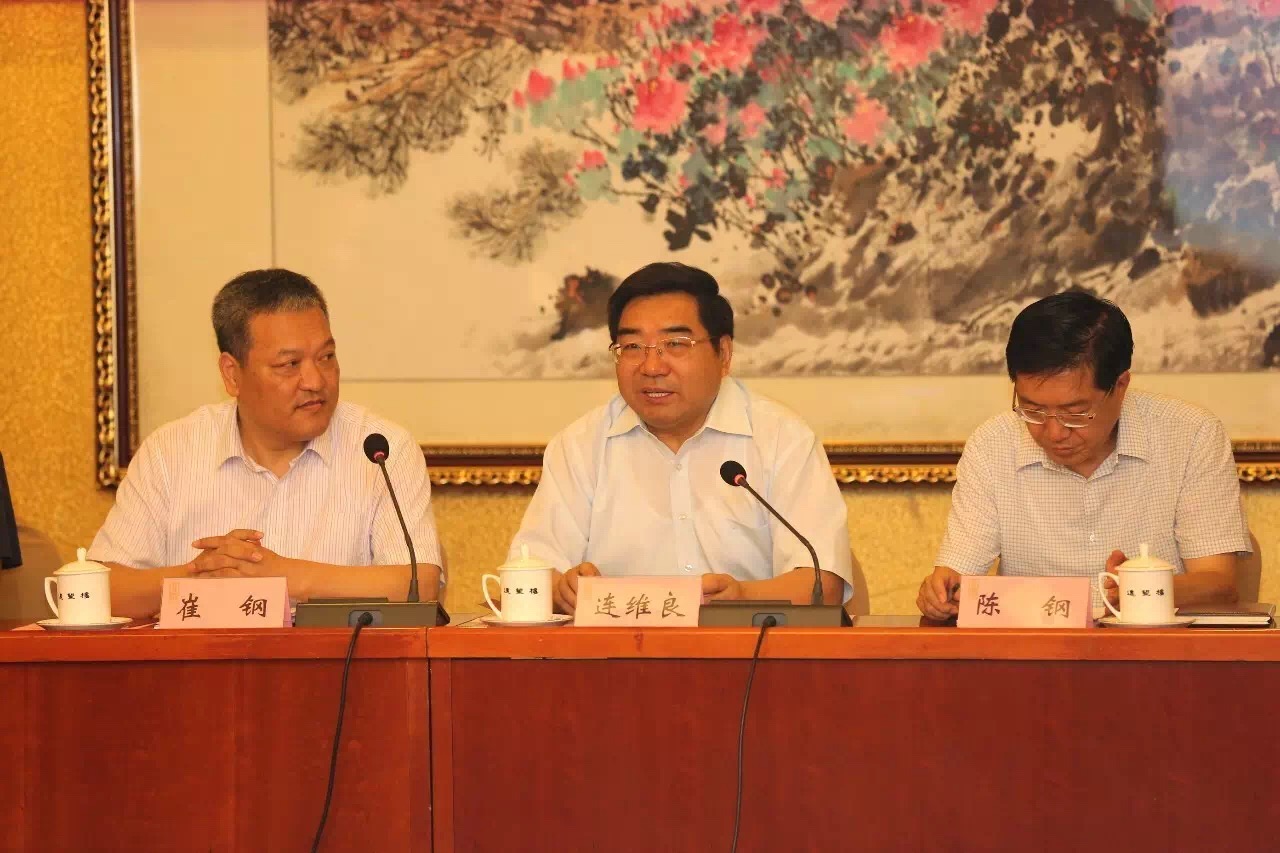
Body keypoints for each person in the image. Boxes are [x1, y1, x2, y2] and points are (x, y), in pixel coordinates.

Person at [90, 269, 442, 619]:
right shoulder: (170, 452)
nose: (315, 381)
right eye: (289, 364)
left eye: (326, 357)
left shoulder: (381, 449)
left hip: (339, 658)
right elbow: (99, 592)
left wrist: (284, 578)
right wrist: (202, 576)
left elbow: (420, 586)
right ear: (232, 374)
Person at [509, 262, 853, 614]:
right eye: (632, 346)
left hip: (748, 646)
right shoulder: (580, 446)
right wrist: (562, 589)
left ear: (723, 354)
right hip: (617, 648)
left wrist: (743, 598)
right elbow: (529, 572)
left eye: (675, 344)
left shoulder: (782, 438)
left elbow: (822, 584)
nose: (652, 367)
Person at [917, 290, 1250, 620]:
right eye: (1032, 410)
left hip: (1153, 647)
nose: (1054, 432)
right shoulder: (992, 444)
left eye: (1075, 413)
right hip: (1036, 650)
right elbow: (957, 575)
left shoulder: (1190, 435)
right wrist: (940, 594)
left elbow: (1219, 584)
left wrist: (1140, 589)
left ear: (1120, 386)